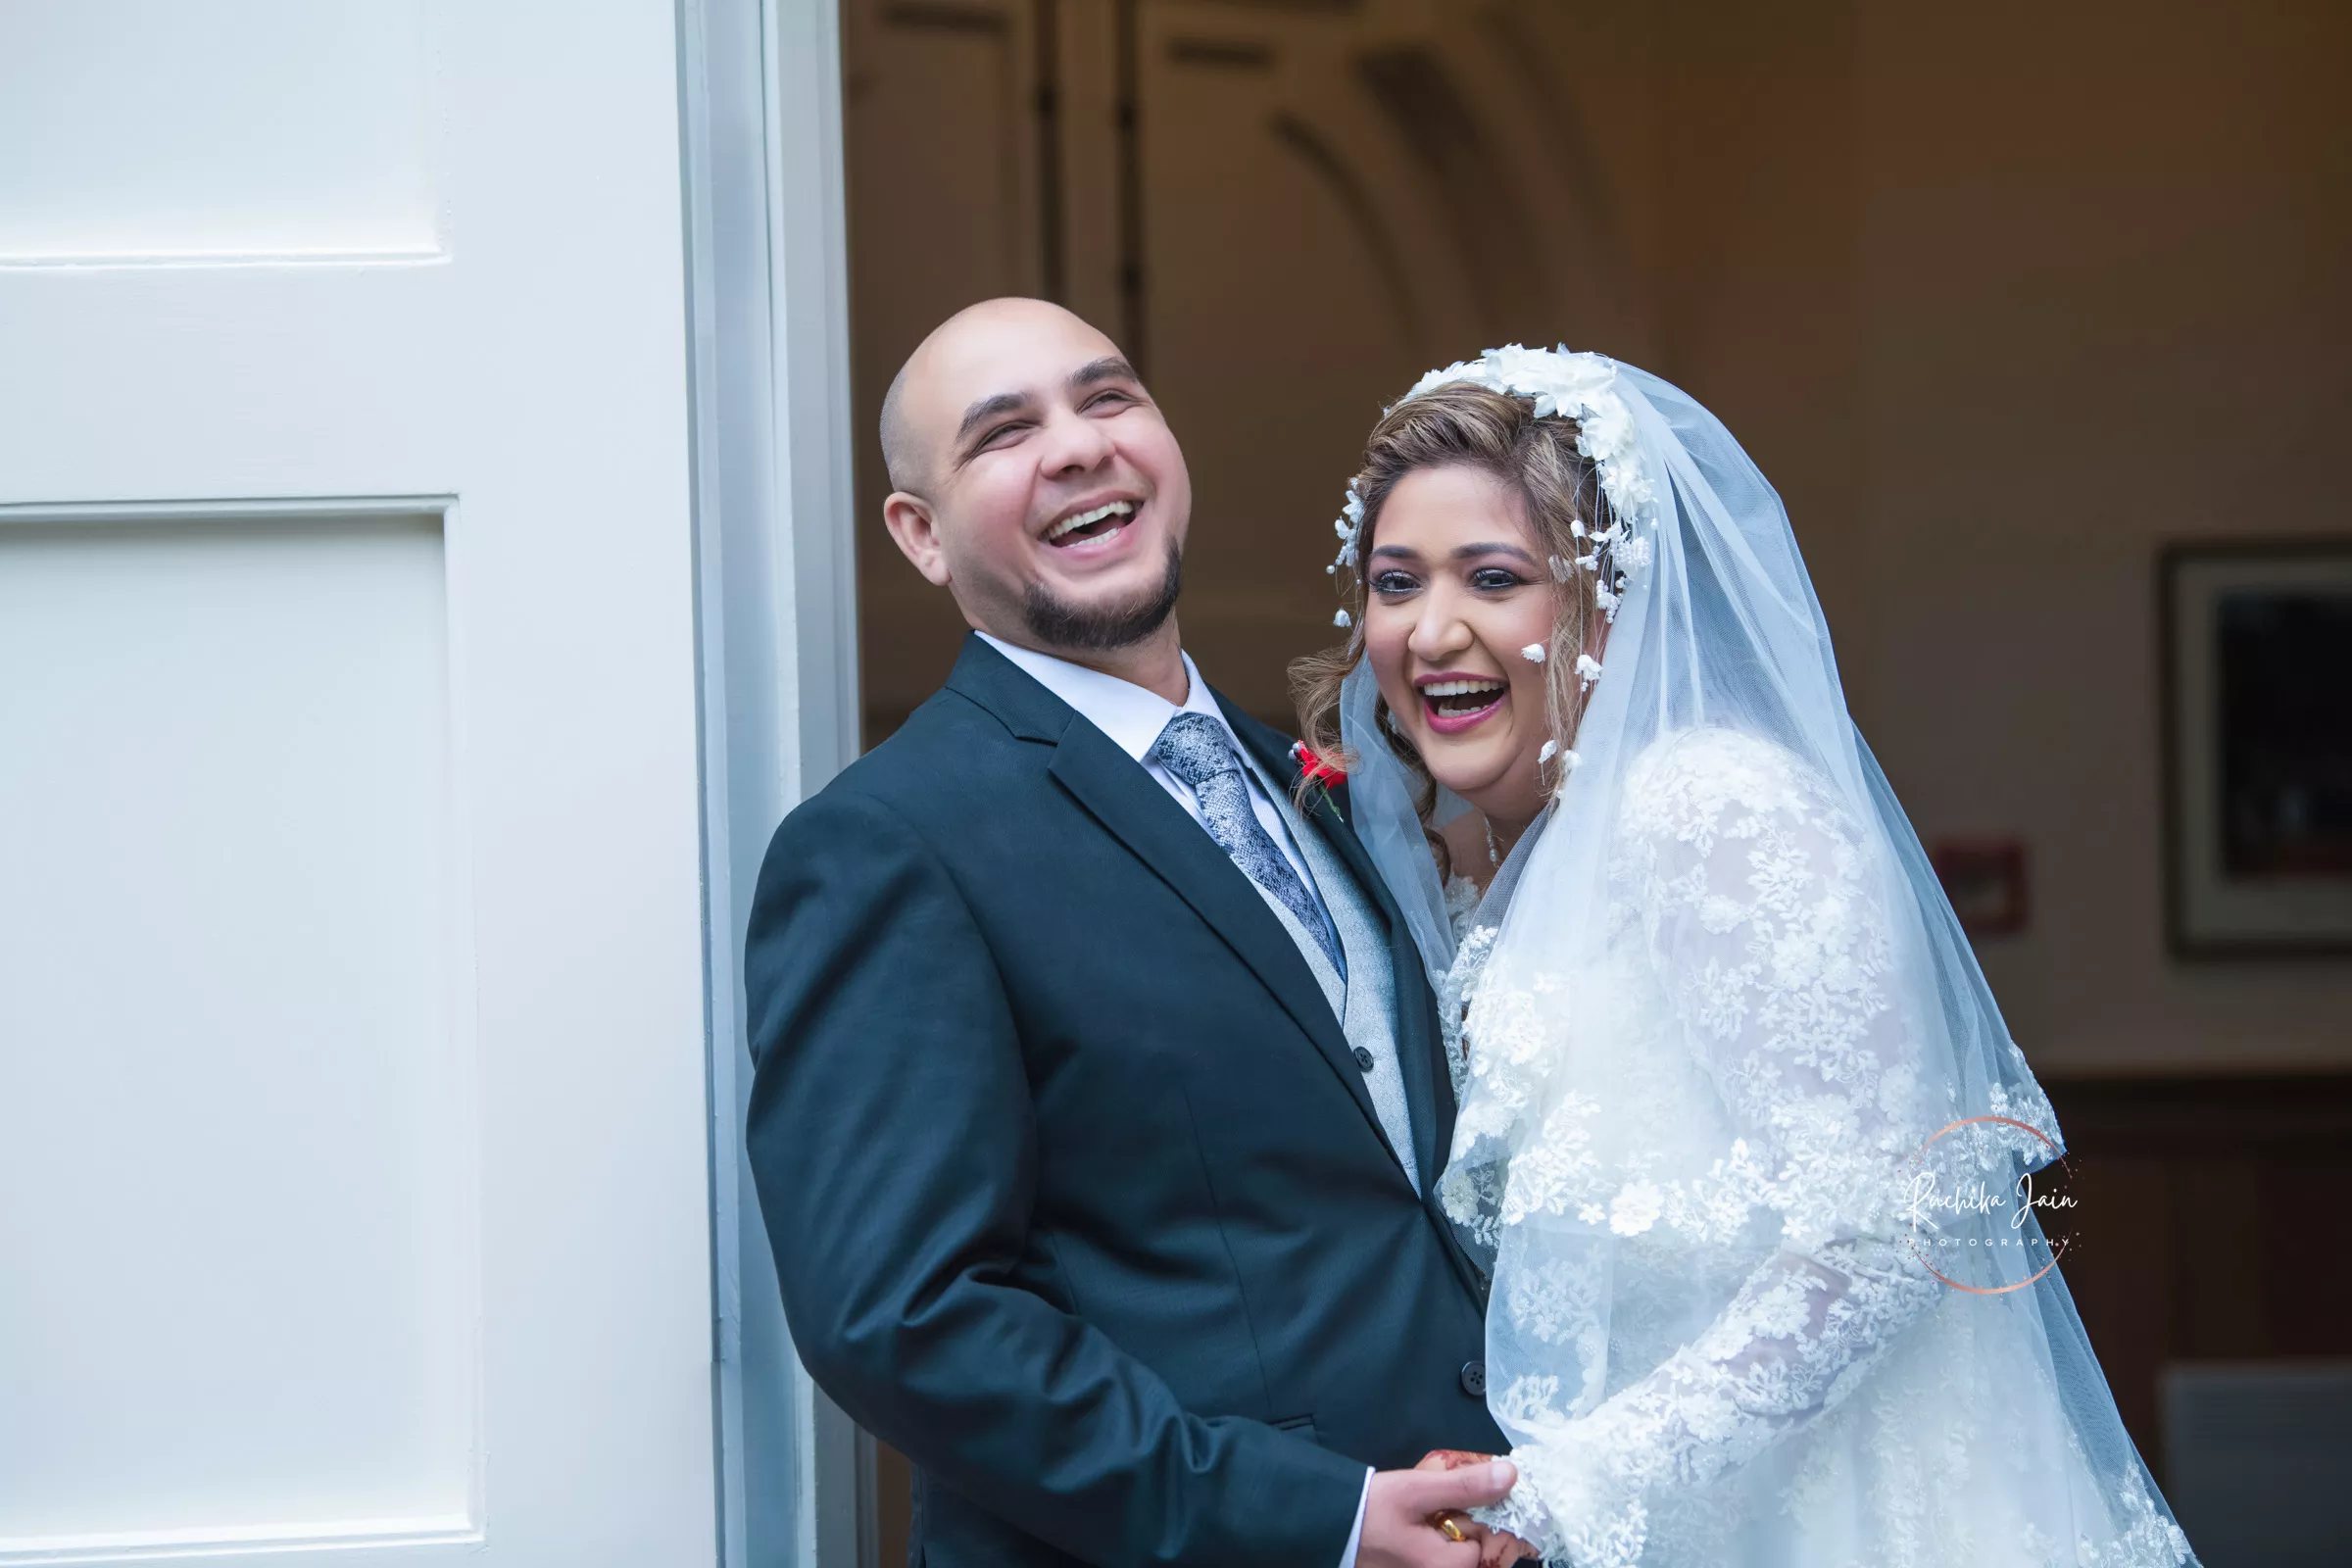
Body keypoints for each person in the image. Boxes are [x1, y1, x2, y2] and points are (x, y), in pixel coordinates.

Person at [1293, 347, 2201, 1567]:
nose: (1432, 629)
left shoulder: (1713, 812)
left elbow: (1887, 1234)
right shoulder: (1488, 878)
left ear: (1605, 601)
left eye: (1495, 578)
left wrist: (1573, 1487)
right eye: (1397, 583)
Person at [743, 298, 1535, 1567]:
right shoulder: (888, 845)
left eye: (1107, 399)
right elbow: (900, 1320)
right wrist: (1315, 1515)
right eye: (1003, 434)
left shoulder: (1323, 785)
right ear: (920, 535)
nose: (1075, 447)